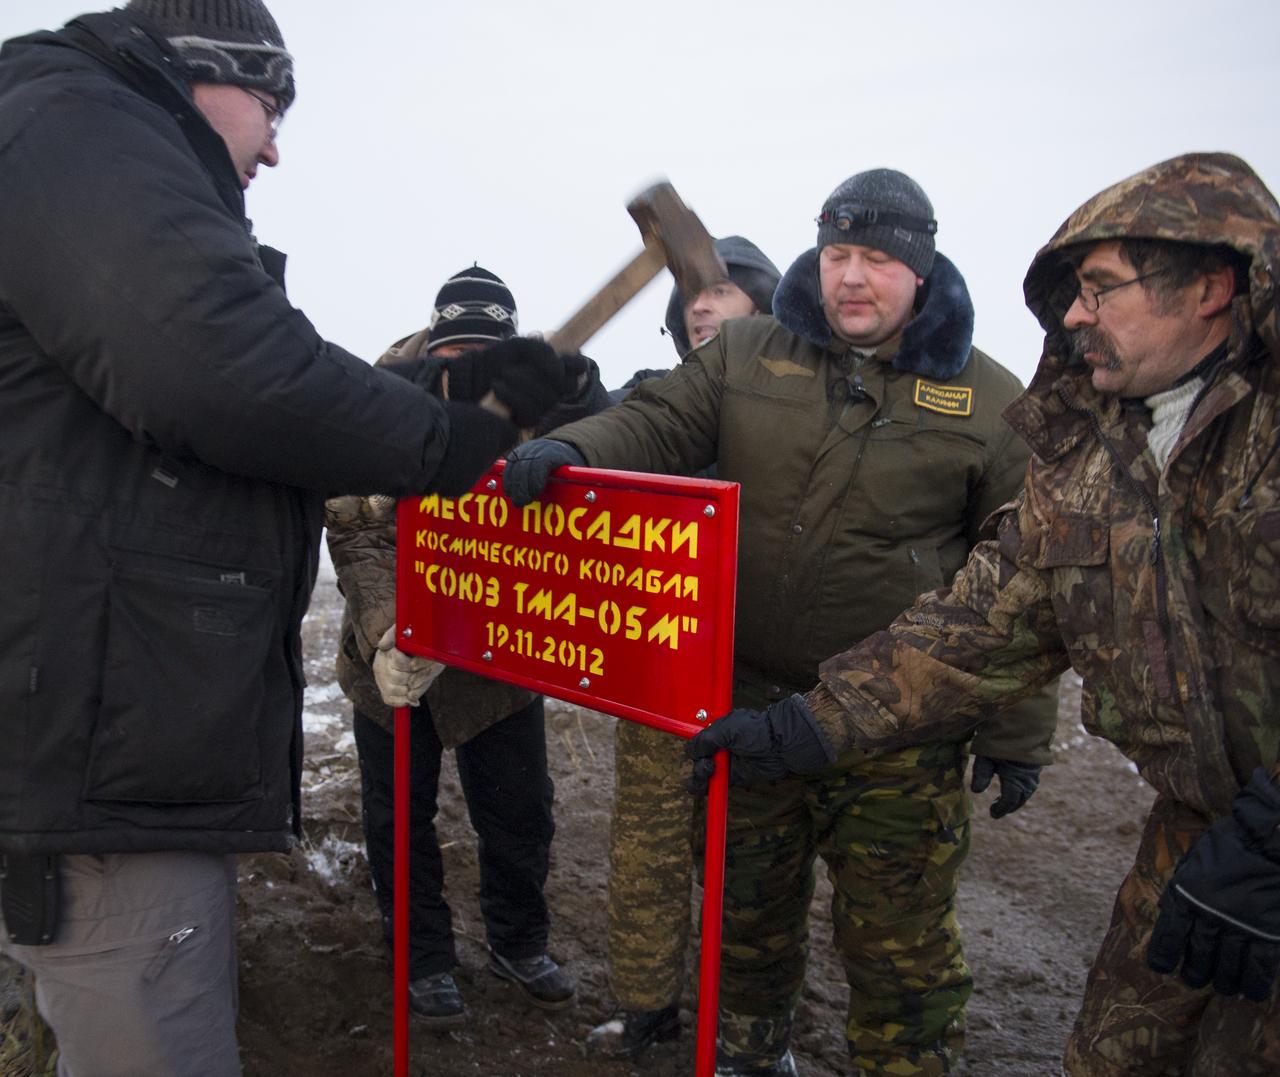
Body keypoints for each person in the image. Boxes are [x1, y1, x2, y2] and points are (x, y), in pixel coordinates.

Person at [0, 4, 576, 1075]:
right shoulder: (74, 125)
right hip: (92, 746)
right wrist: (442, 437)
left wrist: (444, 389)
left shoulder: (75, 147)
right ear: (200, 70)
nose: (275, 142)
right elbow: (223, 369)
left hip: (105, 732)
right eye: (272, 104)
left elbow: (243, 360)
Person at [687, 151, 1280, 1076]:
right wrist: (801, 728)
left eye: (1100, 288)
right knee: (1118, 1052)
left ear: (1210, 287)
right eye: (1075, 292)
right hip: (1203, 835)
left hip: (1264, 833)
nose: (1076, 315)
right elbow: (980, 623)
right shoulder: (1097, 463)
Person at [506, 170, 1058, 1077]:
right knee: (745, 919)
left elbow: (1023, 579)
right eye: (838, 252)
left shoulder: (992, 404)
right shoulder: (748, 353)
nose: (851, 277)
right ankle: (752, 1057)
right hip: (751, 713)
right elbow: (656, 420)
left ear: (920, 269)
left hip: (900, 733)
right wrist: (573, 448)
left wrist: (1018, 731)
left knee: (899, 950)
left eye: (877, 258)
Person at [326, 266, 610, 1026]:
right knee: (398, 817)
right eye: (455, 351)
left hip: (496, 661)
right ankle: (422, 960)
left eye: (484, 349)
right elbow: (357, 526)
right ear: (435, 343)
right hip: (395, 665)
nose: (467, 366)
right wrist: (390, 633)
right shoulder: (379, 397)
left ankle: (518, 943)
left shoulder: (529, 404)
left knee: (521, 812)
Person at [587, 234, 782, 1060]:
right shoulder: (648, 403)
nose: (702, 303)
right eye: (691, 294)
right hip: (659, 677)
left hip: (761, 684)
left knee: (753, 865)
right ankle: (647, 1012)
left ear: (765, 308)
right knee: (647, 852)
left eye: (723, 290)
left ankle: (752, 1036)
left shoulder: (800, 415)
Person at [608, 235, 782, 404]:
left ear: (761, 311)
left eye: (720, 292)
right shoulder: (656, 391)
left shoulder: (799, 392)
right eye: (691, 295)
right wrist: (581, 378)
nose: (698, 307)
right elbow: (604, 417)